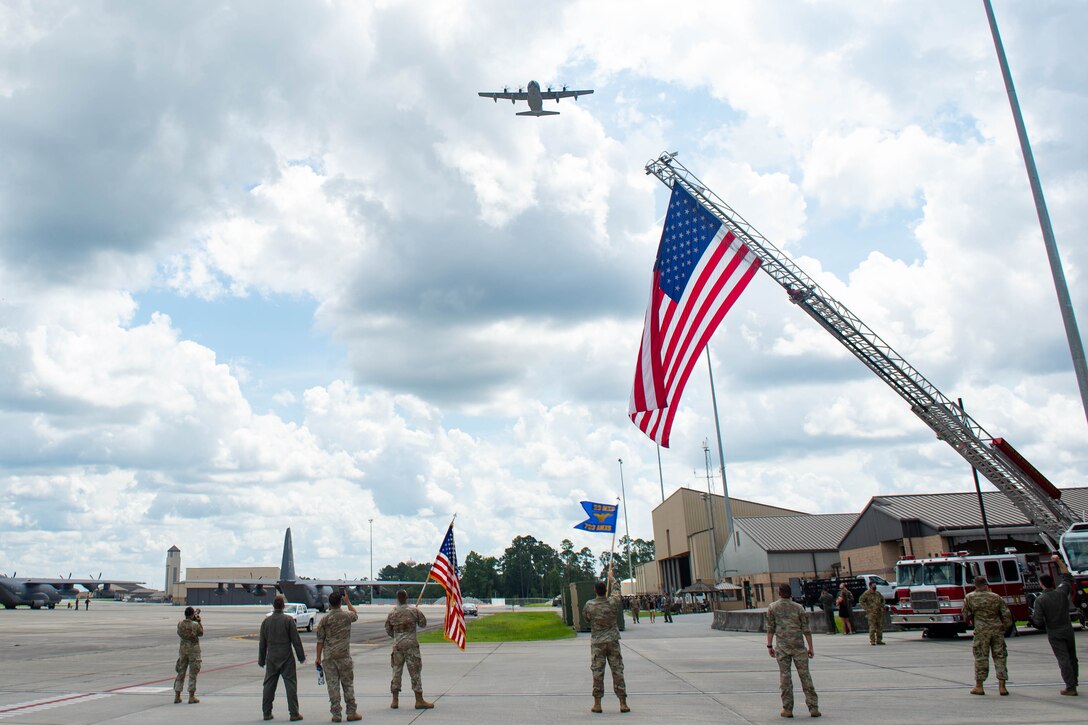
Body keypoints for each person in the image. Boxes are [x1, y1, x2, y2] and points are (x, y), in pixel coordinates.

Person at [766, 583, 820, 718]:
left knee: (785, 678)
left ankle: (787, 708)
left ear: (779, 593)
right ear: (790, 593)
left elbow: (770, 628)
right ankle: (813, 707)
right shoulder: (798, 608)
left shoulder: (773, 607)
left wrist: (769, 646)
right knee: (805, 676)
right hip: (798, 646)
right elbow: (806, 629)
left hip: (782, 647)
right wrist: (810, 647)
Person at [1030, 555, 1078, 696]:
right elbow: (1067, 577)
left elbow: (1038, 621)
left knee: (1063, 659)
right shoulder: (1061, 592)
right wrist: (1058, 561)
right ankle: (1074, 681)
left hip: (1054, 631)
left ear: (1041, 583)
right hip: (1068, 628)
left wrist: (1034, 620)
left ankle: (1070, 686)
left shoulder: (1040, 600)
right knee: (1072, 657)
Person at [582, 574, 628, 714]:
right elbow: (617, 591)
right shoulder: (612, 602)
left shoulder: (590, 605)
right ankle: (623, 703)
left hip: (598, 642)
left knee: (597, 672)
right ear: (605, 591)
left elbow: (586, 619)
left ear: (595, 591)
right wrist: (612, 578)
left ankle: (597, 703)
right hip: (612, 641)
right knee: (617, 671)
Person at [315, 590, 361, 721]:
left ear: (330, 603)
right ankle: (351, 712)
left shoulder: (325, 619)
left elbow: (320, 640)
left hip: (329, 657)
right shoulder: (347, 616)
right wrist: (348, 602)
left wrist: (318, 657)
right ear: (340, 602)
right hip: (344, 656)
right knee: (347, 684)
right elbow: (355, 614)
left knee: (332, 685)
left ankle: (336, 714)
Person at [962, 575, 1012, 696]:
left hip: (981, 631)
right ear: (986, 585)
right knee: (1000, 656)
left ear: (975, 585)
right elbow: (1006, 614)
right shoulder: (996, 597)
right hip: (996, 630)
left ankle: (979, 686)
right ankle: (1002, 686)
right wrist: (1004, 628)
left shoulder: (970, 597)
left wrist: (971, 621)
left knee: (981, 657)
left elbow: (965, 615)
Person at [384, 589, 434, 710]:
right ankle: (419, 700)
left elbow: (388, 630)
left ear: (397, 598)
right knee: (415, 672)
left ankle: (395, 700)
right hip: (411, 644)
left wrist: (397, 636)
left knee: (396, 671)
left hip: (398, 645)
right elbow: (423, 624)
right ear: (406, 597)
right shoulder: (414, 611)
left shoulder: (392, 613)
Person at [259, 595, 306, 721]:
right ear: (283, 606)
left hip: (272, 657)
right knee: (290, 685)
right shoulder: (288, 620)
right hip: (286, 657)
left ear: (273, 606)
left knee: (269, 685)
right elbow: (296, 641)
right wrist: (301, 657)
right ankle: (294, 713)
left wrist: (261, 660)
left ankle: (266, 713)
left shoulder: (266, 622)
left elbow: (262, 643)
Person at [174, 607, 203, 704]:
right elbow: (201, 633)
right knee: (193, 673)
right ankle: (191, 696)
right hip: (193, 650)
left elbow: (179, 633)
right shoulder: (195, 625)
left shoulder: (180, 624)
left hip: (183, 650)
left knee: (180, 672)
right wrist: (198, 622)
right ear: (192, 614)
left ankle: (177, 696)